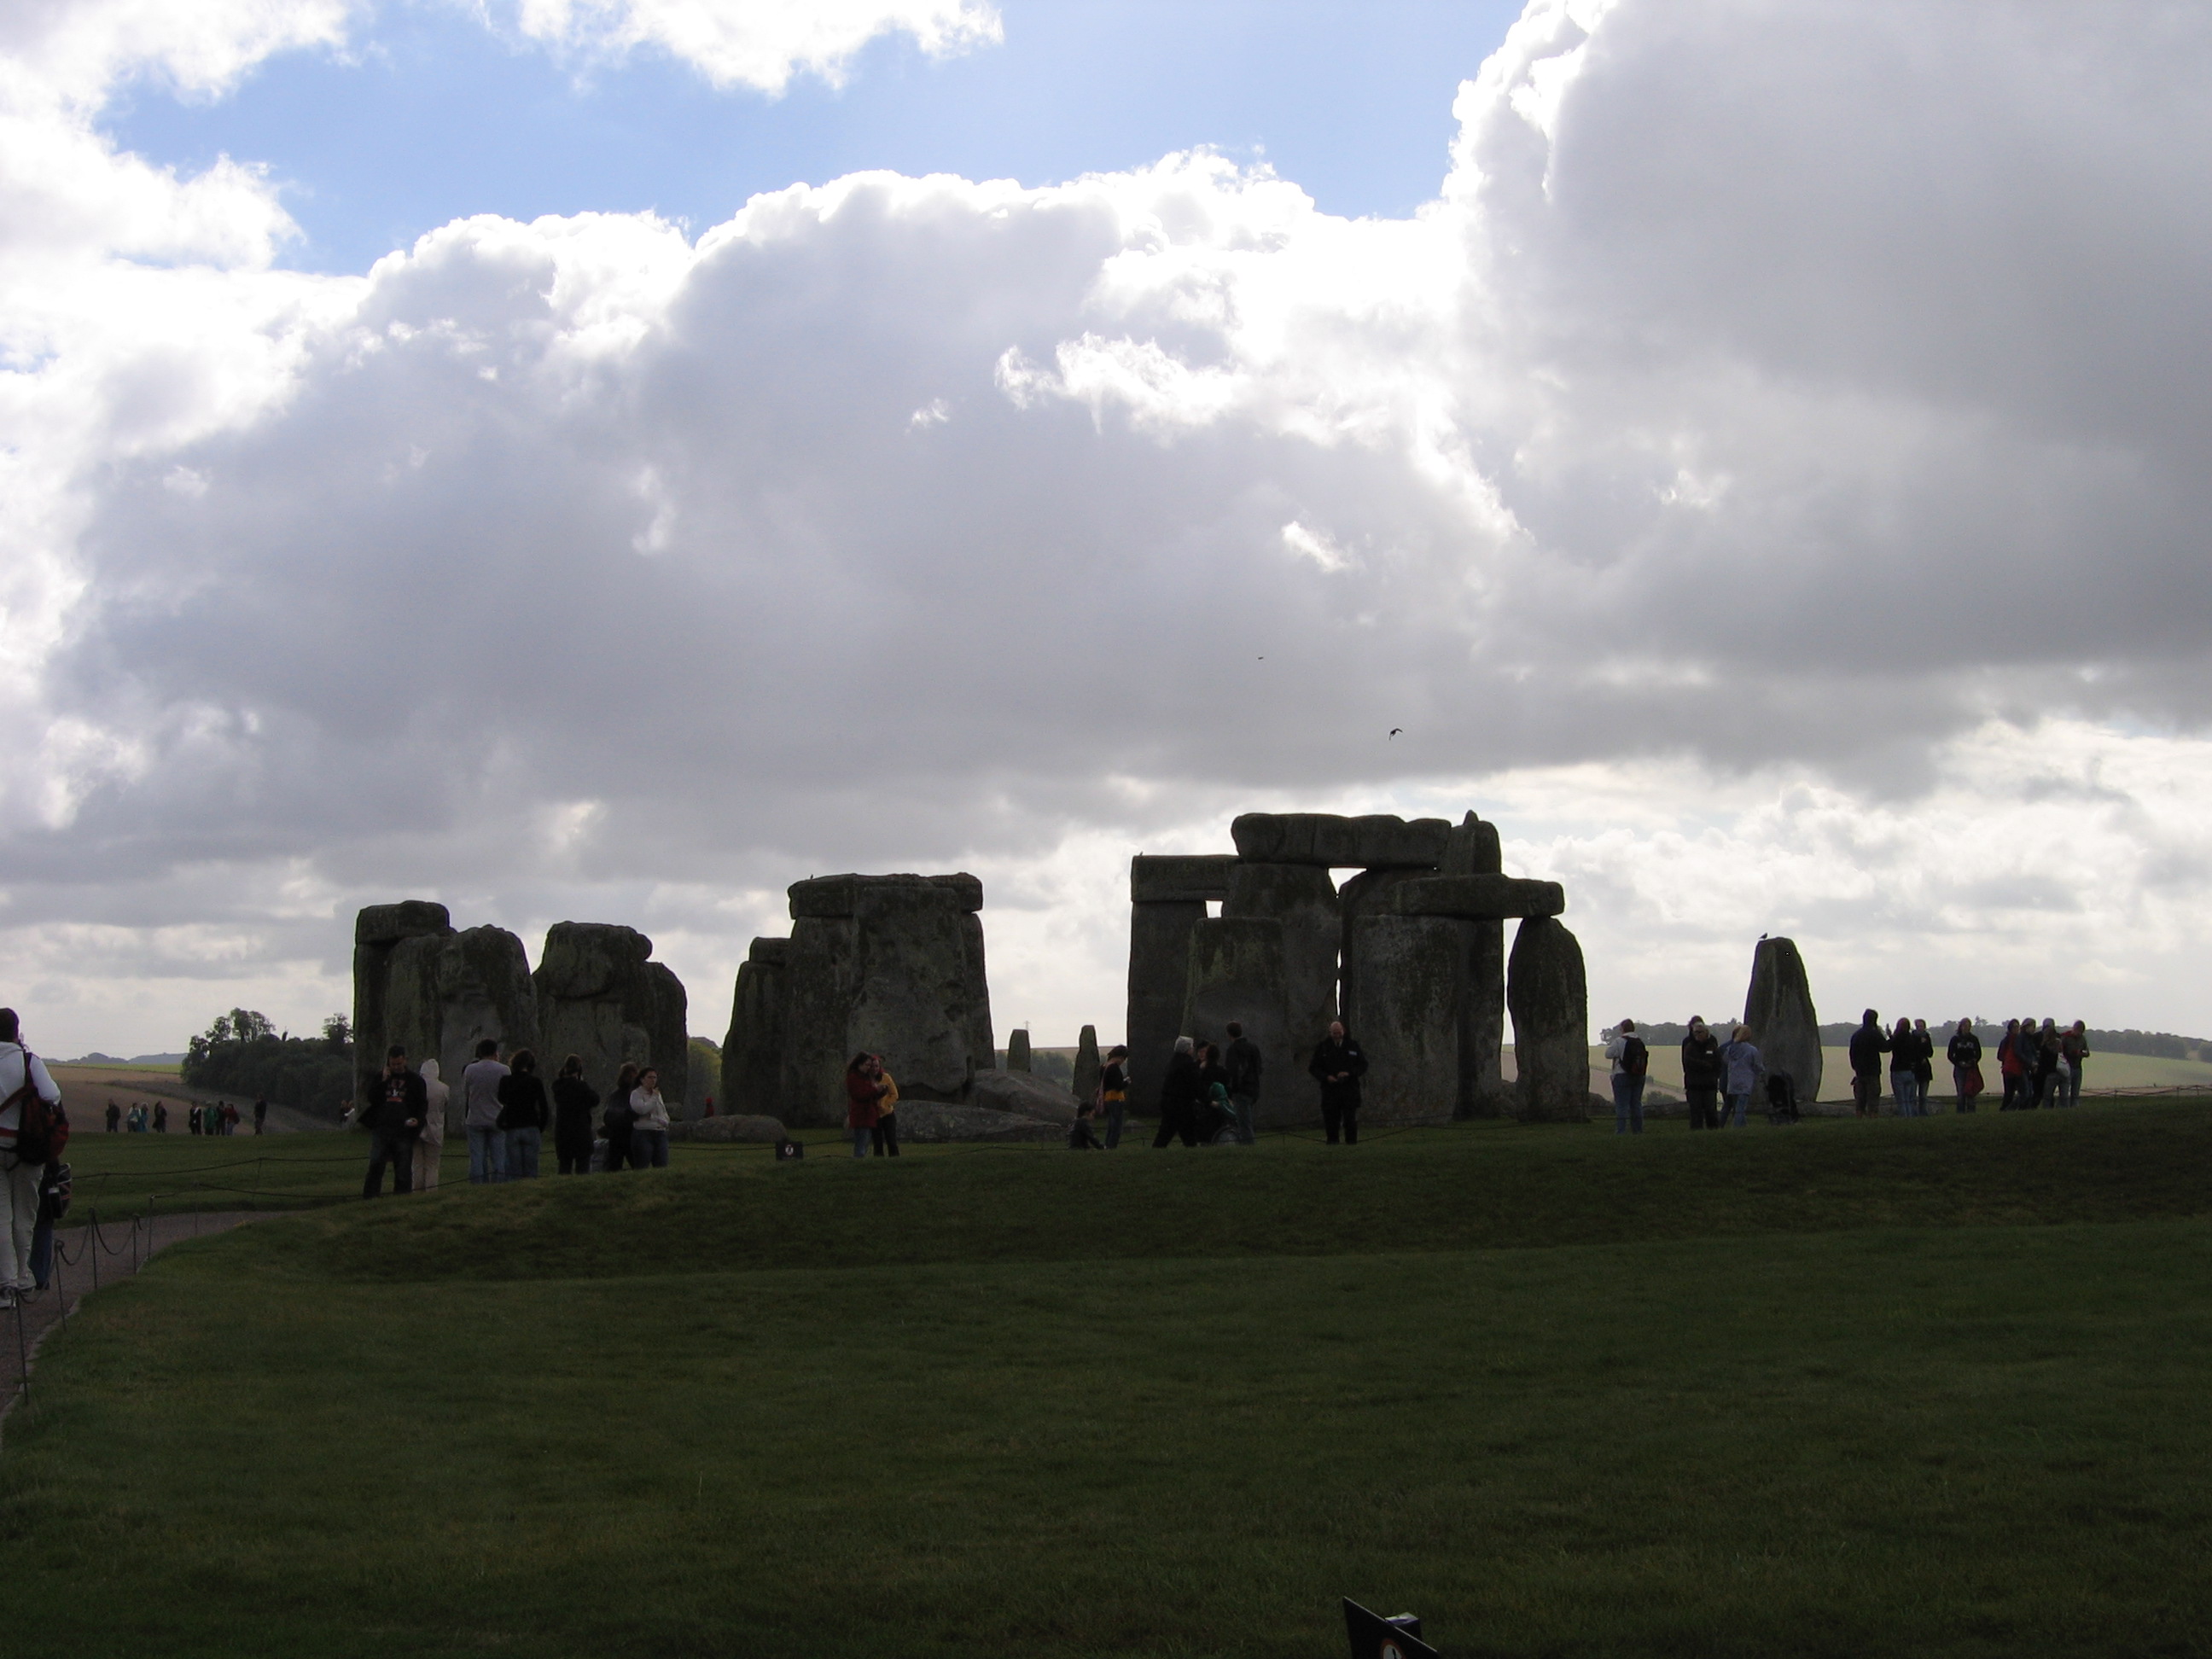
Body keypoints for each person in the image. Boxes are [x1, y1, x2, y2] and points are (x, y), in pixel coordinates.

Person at [0, 1009, 63, 1307]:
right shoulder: (28, 1061)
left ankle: (5, 1285)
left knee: (1, 1219)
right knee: (24, 1217)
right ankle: (23, 1277)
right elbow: (52, 1095)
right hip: (26, 1148)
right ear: (16, 1030)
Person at [360, 1044, 426, 1198]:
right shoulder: (380, 1078)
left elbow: (422, 1104)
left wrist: (418, 1120)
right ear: (388, 1062)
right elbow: (372, 1098)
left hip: (403, 1129)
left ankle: (402, 1197)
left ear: (405, 1061)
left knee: (403, 1166)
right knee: (376, 1163)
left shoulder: (415, 1081)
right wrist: (383, 1081)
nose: (396, 1067)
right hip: (382, 1127)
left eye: (399, 1063)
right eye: (393, 1064)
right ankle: (370, 1196)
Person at [1308, 1021, 1369, 1145]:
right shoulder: (1323, 1047)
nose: (1337, 1035)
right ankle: (1332, 1142)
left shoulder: (1352, 1045)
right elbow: (1313, 1068)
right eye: (1334, 1033)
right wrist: (1326, 1077)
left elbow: (1363, 1065)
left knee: (1350, 1119)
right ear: (1330, 1033)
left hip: (1349, 1088)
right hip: (1330, 1089)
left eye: (1339, 1032)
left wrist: (1350, 1073)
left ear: (1343, 1031)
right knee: (1331, 1119)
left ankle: (1351, 1143)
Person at [460, 1038, 510, 1184]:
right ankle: (498, 1185)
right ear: (495, 1052)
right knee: (498, 1157)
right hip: (497, 1117)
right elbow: (507, 1094)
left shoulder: (470, 1069)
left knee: (477, 1157)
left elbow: (466, 1092)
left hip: (475, 1118)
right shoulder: (504, 1070)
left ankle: (477, 1186)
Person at [496, 1049, 549, 1179]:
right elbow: (544, 1107)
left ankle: (515, 1196)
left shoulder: (506, 1081)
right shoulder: (535, 1082)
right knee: (531, 1169)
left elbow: (501, 1099)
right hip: (531, 1125)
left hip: (512, 1126)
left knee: (513, 1170)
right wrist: (540, 1126)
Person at [550, 1056, 598, 1175]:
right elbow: (595, 1099)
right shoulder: (581, 1086)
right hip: (581, 1128)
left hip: (563, 1129)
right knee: (583, 1166)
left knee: (564, 1165)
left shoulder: (558, 1086)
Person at [1152, 1037, 1203, 1148]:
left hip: (1168, 1101)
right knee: (1187, 1131)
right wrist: (1206, 1099)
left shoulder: (1173, 1062)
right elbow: (1195, 1084)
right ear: (1187, 1049)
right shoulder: (1188, 1064)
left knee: (1166, 1131)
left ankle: (1157, 1149)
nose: (1193, 1049)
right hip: (1182, 1103)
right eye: (1191, 1047)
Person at [1603, 1019, 1648, 1136]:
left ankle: (1621, 1131)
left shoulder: (1619, 1041)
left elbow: (1608, 1054)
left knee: (1622, 1105)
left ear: (1622, 1029)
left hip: (1622, 1075)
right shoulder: (1640, 1042)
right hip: (1638, 1075)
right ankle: (1638, 1130)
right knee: (1636, 1104)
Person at [1679, 1016, 1722, 1131]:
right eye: (1695, 1032)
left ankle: (1713, 1131)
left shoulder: (1712, 1043)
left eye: (1700, 1032)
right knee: (1695, 1111)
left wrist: (1714, 1075)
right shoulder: (1688, 1045)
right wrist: (1705, 1065)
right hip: (1694, 1084)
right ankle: (1696, 1132)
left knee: (1711, 1110)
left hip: (1709, 1083)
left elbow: (1717, 1063)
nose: (1697, 1034)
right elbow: (1687, 1062)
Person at [1223, 1021, 1262, 1145]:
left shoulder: (1233, 1049)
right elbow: (1259, 1068)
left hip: (1240, 1090)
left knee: (1244, 1123)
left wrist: (1232, 1089)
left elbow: (1232, 1071)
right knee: (1247, 1120)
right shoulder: (1253, 1047)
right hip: (1253, 1088)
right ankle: (1247, 1145)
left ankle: (1249, 1148)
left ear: (1229, 1034)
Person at [413, 1058, 448, 1192]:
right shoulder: (444, 1088)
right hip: (435, 1127)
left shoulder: (416, 1086)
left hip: (417, 1127)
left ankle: (417, 1189)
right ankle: (431, 1190)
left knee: (417, 1163)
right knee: (432, 1164)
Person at [1848, 1010, 1889, 1117]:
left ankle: (1859, 1116)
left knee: (1860, 1098)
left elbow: (1852, 1053)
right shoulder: (1875, 1034)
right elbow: (1885, 1048)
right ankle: (1873, 1117)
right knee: (1873, 1097)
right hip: (1873, 1070)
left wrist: (1855, 1066)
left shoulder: (1856, 1035)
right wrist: (1890, 1037)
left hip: (1860, 1071)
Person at [844, 1053, 885, 1159]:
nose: (869, 1068)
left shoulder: (865, 1077)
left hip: (868, 1114)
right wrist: (875, 1090)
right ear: (859, 1064)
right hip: (861, 1115)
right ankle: (857, 1163)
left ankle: (859, 1161)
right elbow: (860, 1095)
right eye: (867, 1065)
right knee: (861, 1144)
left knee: (865, 1143)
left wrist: (881, 1092)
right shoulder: (854, 1077)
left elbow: (870, 1095)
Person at [629, 1067, 672, 1168]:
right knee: (642, 1164)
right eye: (650, 1077)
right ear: (642, 1079)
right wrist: (653, 1098)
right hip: (643, 1132)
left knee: (662, 1164)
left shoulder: (657, 1094)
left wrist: (665, 1121)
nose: (653, 1080)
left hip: (659, 1131)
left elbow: (662, 1110)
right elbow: (641, 1110)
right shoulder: (636, 1094)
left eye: (655, 1078)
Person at [1721, 1025, 1763, 1127]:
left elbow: (1725, 1060)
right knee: (1740, 1108)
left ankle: (1744, 1127)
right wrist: (1761, 1072)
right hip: (1745, 1081)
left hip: (1732, 1081)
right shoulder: (1752, 1050)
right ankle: (1736, 1128)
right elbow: (1757, 1065)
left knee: (1736, 1106)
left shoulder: (1730, 1049)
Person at [601, 1062, 640, 1172]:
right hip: (626, 1133)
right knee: (636, 1165)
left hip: (619, 1133)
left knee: (615, 1166)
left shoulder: (616, 1095)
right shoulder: (630, 1095)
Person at [1947, 1019, 1983, 1112]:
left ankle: (1971, 1111)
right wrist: (1958, 1063)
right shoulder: (1955, 1039)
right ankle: (1960, 1112)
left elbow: (1978, 1053)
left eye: (1968, 1026)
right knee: (1961, 1092)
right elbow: (1950, 1055)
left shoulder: (1974, 1039)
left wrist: (1973, 1061)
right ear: (1961, 1026)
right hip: (1959, 1069)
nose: (1966, 1028)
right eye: (1965, 1026)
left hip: (1971, 1069)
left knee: (1971, 1091)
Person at [1097, 1045, 1130, 1150]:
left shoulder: (1104, 1067)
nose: (1123, 1061)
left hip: (1107, 1098)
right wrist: (1126, 1082)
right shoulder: (1114, 1068)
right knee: (1116, 1125)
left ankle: (1107, 1144)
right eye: (1123, 1059)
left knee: (1111, 1124)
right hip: (1116, 1098)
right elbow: (1118, 1086)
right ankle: (1112, 1146)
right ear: (1119, 1057)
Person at [1889, 1018, 1921, 1117]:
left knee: (1901, 1099)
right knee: (1908, 1099)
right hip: (1910, 1071)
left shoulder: (1897, 1038)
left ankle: (1904, 1117)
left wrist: (1890, 1035)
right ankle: (1910, 1116)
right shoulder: (1912, 1038)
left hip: (1898, 1069)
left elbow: (1889, 1046)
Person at [870, 1059, 900, 1156]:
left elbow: (894, 1095)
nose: (874, 1068)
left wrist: (885, 1104)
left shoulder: (886, 1077)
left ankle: (895, 1160)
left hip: (888, 1114)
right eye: (872, 1066)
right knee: (877, 1142)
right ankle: (879, 1164)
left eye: (876, 1066)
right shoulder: (867, 1080)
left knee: (891, 1140)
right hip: (874, 1115)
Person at [1996, 1018, 2026, 1110]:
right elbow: (2000, 1056)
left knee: (2023, 1092)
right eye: (2015, 1027)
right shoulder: (2006, 1041)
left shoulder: (2020, 1040)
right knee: (2009, 1093)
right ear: (2010, 1028)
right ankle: (2005, 1109)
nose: (2017, 1029)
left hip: (2019, 1069)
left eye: (2018, 1027)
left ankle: (2011, 1109)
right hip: (2009, 1070)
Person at [2034, 1019, 2062, 1109]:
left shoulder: (2037, 1037)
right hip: (2049, 1069)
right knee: (2047, 1093)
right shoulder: (2058, 1039)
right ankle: (2047, 1108)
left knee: (2041, 1093)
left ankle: (2038, 1108)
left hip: (2042, 1069)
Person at [2061, 1022, 2090, 1106]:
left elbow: (2087, 1051)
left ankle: (2074, 1108)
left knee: (2076, 1092)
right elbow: (2061, 1052)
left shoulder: (2082, 1039)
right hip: (2067, 1067)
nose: (2079, 1033)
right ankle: (2064, 1108)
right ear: (2074, 1028)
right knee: (2065, 1092)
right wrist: (2073, 1052)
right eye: (2078, 1031)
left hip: (2078, 1067)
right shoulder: (2065, 1038)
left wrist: (2084, 1053)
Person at [1911, 1020, 1935, 1110]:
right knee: (1913, 1094)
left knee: (1923, 1095)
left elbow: (1930, 1052)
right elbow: (1913, 1051)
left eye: (1922, 1026)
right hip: (1915, 1068)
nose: (1920, 1028)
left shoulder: (1927, 1037)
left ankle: (1923, 1111)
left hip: (1924, 1069)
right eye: (1918, 1026)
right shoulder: (1912, 1037)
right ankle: (1913, 1111)